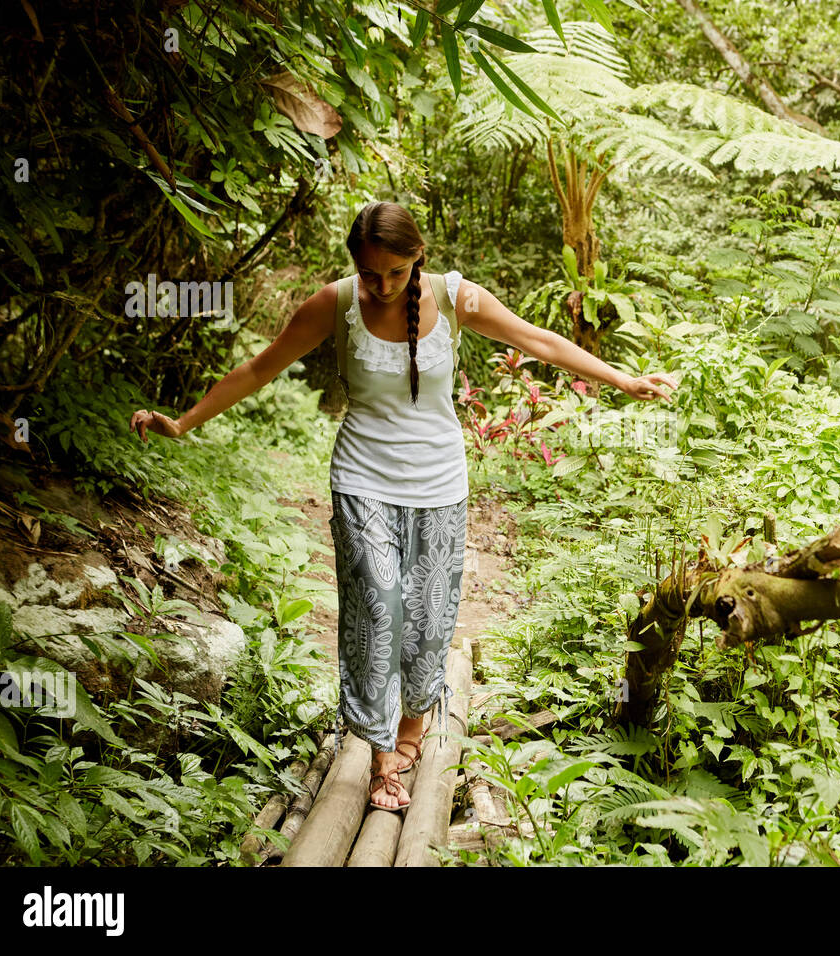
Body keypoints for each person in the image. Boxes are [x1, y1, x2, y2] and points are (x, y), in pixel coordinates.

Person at [130, 201, 679, 811]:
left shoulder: (455, 299)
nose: (385, 286)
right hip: (362, 479)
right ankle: (381, 753)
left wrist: (623, 379)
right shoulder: (335, 305)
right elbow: (260, 368)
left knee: (428, 620)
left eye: (396, 273)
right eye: (371, 274)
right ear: (355, 268)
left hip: (441, 484)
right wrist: (182, 424)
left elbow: (539, 341)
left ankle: (416, 722)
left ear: (418, 256)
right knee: (379, 606)